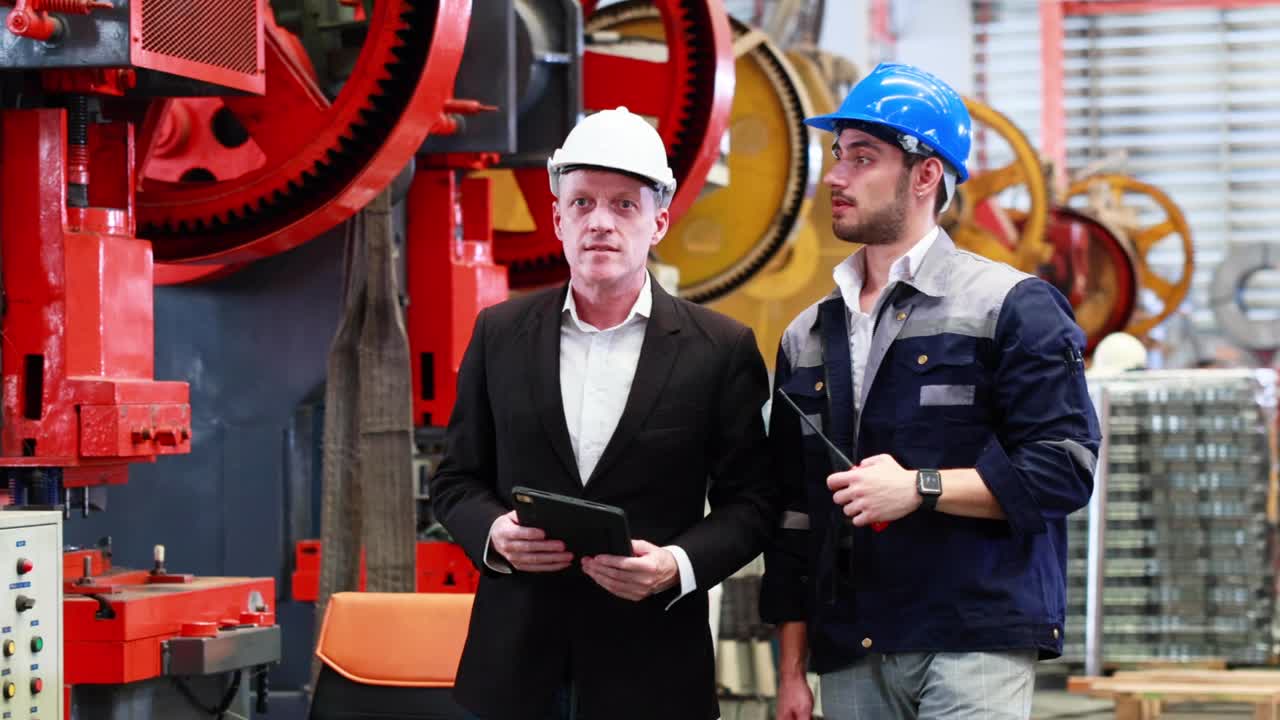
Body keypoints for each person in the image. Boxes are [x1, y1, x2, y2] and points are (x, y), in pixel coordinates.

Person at [759, 63, 1101, 720]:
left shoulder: (1012, 306)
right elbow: (797, 514)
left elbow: (1064, 467)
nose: (835, 176)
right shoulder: (807, 336)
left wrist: (920, 488)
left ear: (925, 174)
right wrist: (792, 668)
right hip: (852, 643)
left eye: (863, 158)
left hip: (976, 637)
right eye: (838, 156)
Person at [430, 106, 777, 720]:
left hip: (651, 670)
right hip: (514, 670)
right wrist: (494, 534)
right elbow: (457, 480)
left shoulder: (720, 348)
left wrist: (677, 565)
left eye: (624, 205)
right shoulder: (499, 333)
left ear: (659, 221)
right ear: (557, 216)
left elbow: (751, 504)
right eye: (583, 202)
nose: (601, 223)